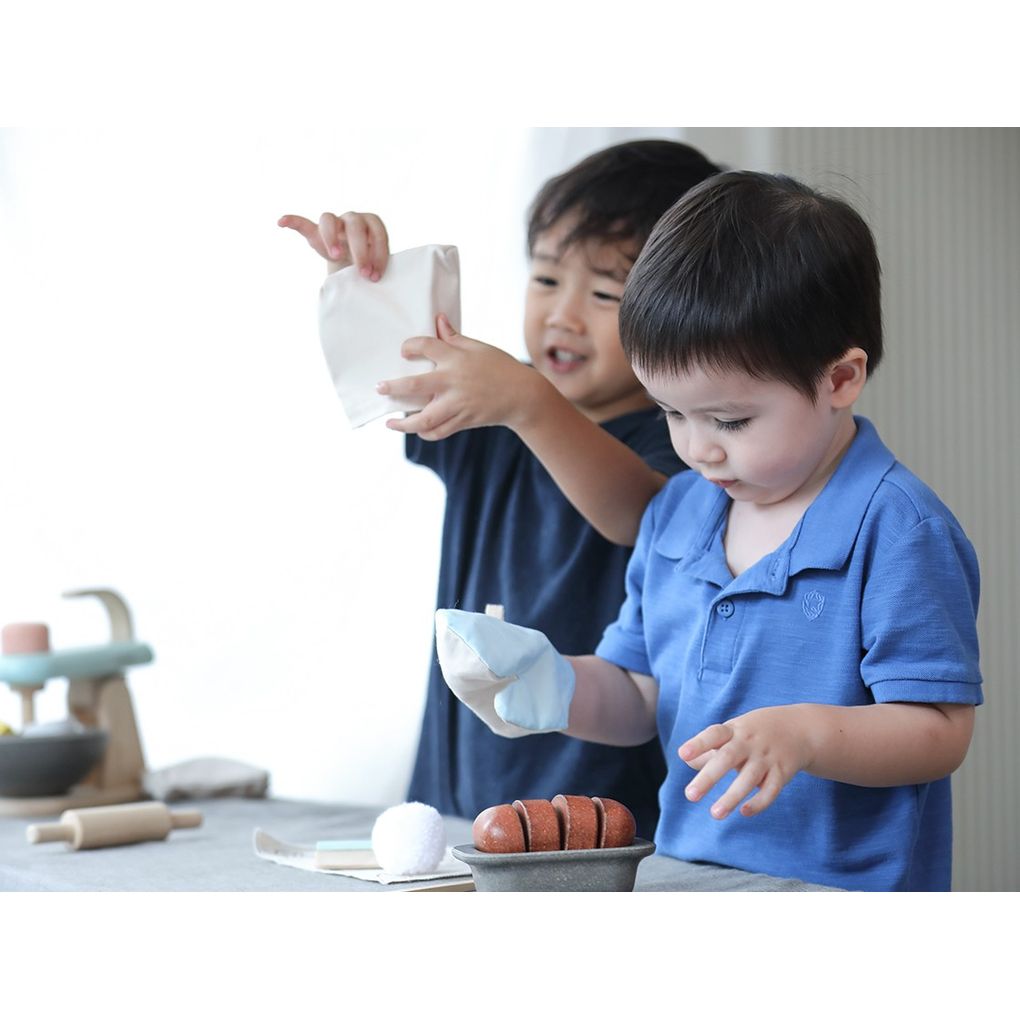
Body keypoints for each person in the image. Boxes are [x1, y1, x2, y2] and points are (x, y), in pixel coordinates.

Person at [436, 171, 983, 891]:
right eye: (670, 412)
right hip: (689, 877)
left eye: (729, 420)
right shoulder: (676, 516)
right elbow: (638, 698)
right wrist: (553, 683)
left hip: (844, 893)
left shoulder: (898, 530)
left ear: (841, 379)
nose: (699, 449)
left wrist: (807, 735)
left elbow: (939, 730)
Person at [280, 140, 722, 837]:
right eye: (546, 279)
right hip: (454, 790)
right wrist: (362, 286)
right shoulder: (500, 405)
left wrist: (529, 402)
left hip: (592, 807)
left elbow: (641, 513)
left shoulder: (688, 441)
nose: (563, 315)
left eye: (605, 292)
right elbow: (389, 370)